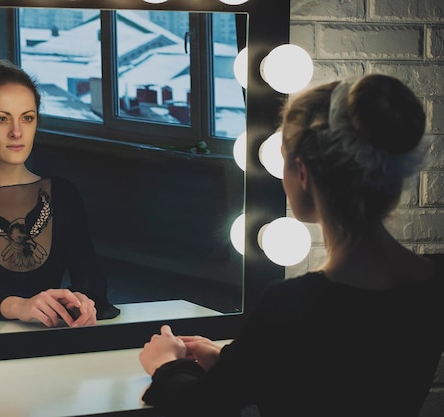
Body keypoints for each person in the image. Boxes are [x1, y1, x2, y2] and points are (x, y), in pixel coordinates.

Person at [138, 74, 444, 416]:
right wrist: (229, 361)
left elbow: (201, 407)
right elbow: (334, 373)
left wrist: (165, 364)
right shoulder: (435, 281)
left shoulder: (292, 304)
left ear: (302, 172)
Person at [0, 59, 120, 328]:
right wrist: (18, 305)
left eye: (27, 118)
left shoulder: (62, 193)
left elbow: (92, 284)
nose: (16, 132)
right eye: (1, 119)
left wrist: (82, 300)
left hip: (52, 343)